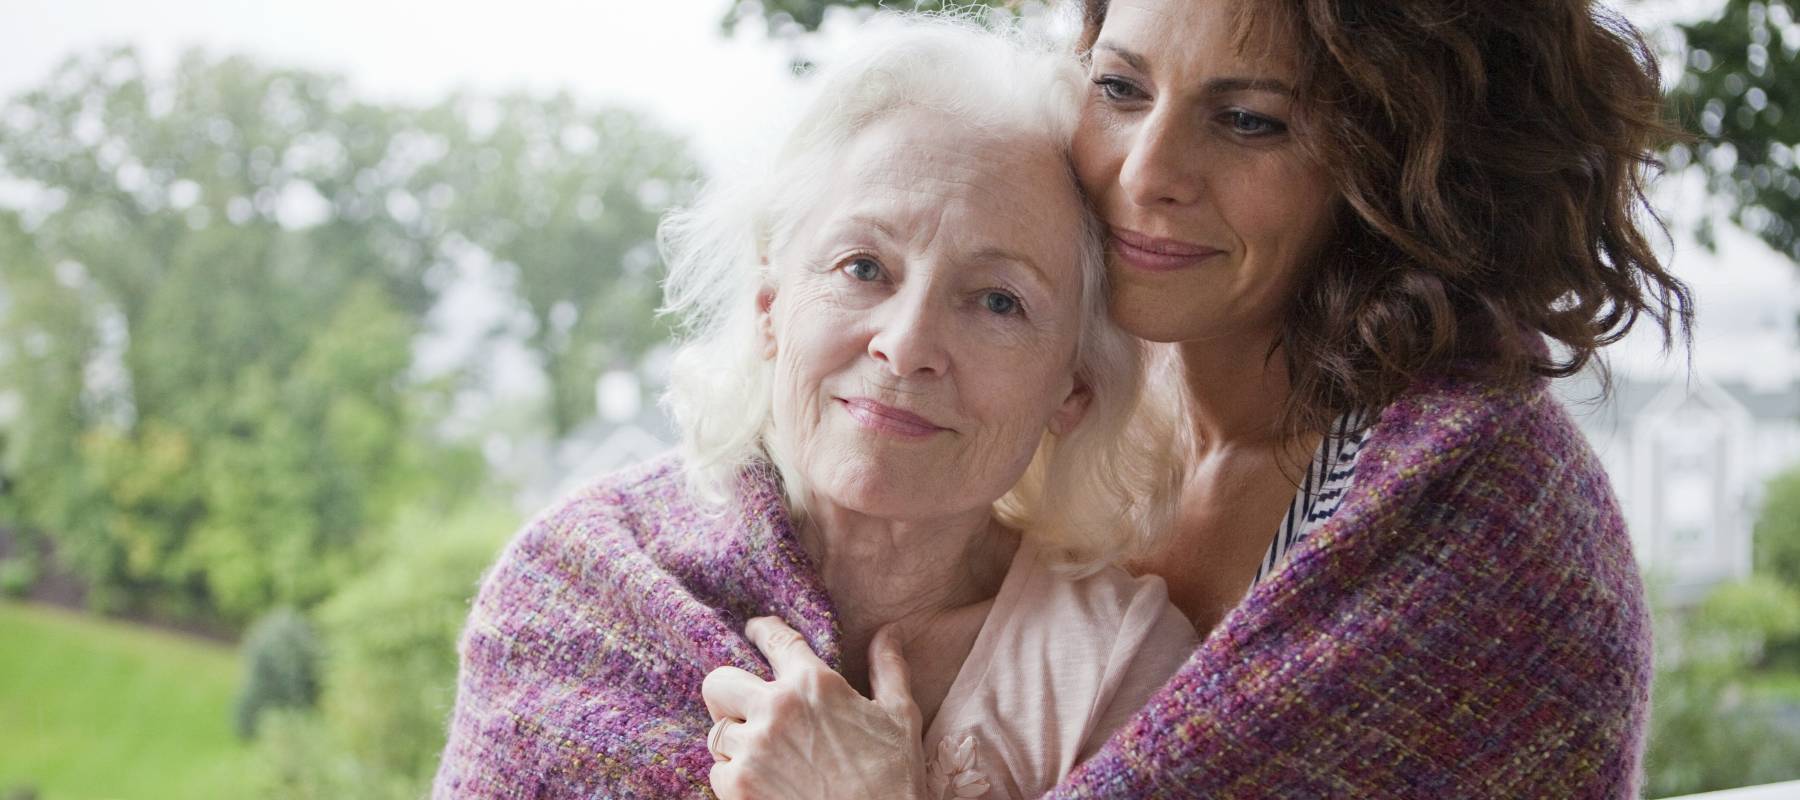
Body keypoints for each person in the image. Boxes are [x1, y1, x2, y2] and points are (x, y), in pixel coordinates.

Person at [709, 0, 1695, 797]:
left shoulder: (1479, 519)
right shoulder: (1043, 378)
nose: (1146, 172)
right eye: (1121, 88)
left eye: (1249, 120)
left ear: (1396, 160)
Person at [430, 19, 1200, 800]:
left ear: (1073, 389)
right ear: (771, 308)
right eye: (864, 266)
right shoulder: (582, 585)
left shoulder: (1120, 672)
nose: (907, 345)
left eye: (999, 301)